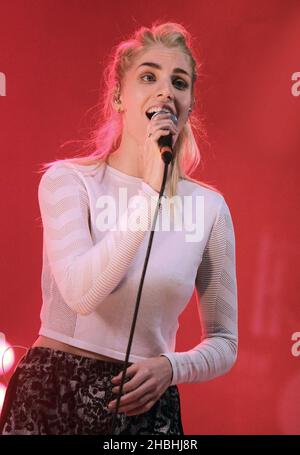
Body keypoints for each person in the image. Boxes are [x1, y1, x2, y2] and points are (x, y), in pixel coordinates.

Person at [0, 21, 238, 435]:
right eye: (148, 76)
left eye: (179, 82)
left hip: (144, 409)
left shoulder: (210, 208)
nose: (166, 90)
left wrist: (172, 366)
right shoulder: (69, 181)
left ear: (190, 105)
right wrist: (150, 189)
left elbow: (225, 341)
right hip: (53, 395)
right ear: (119, 96)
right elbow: (82, 293)